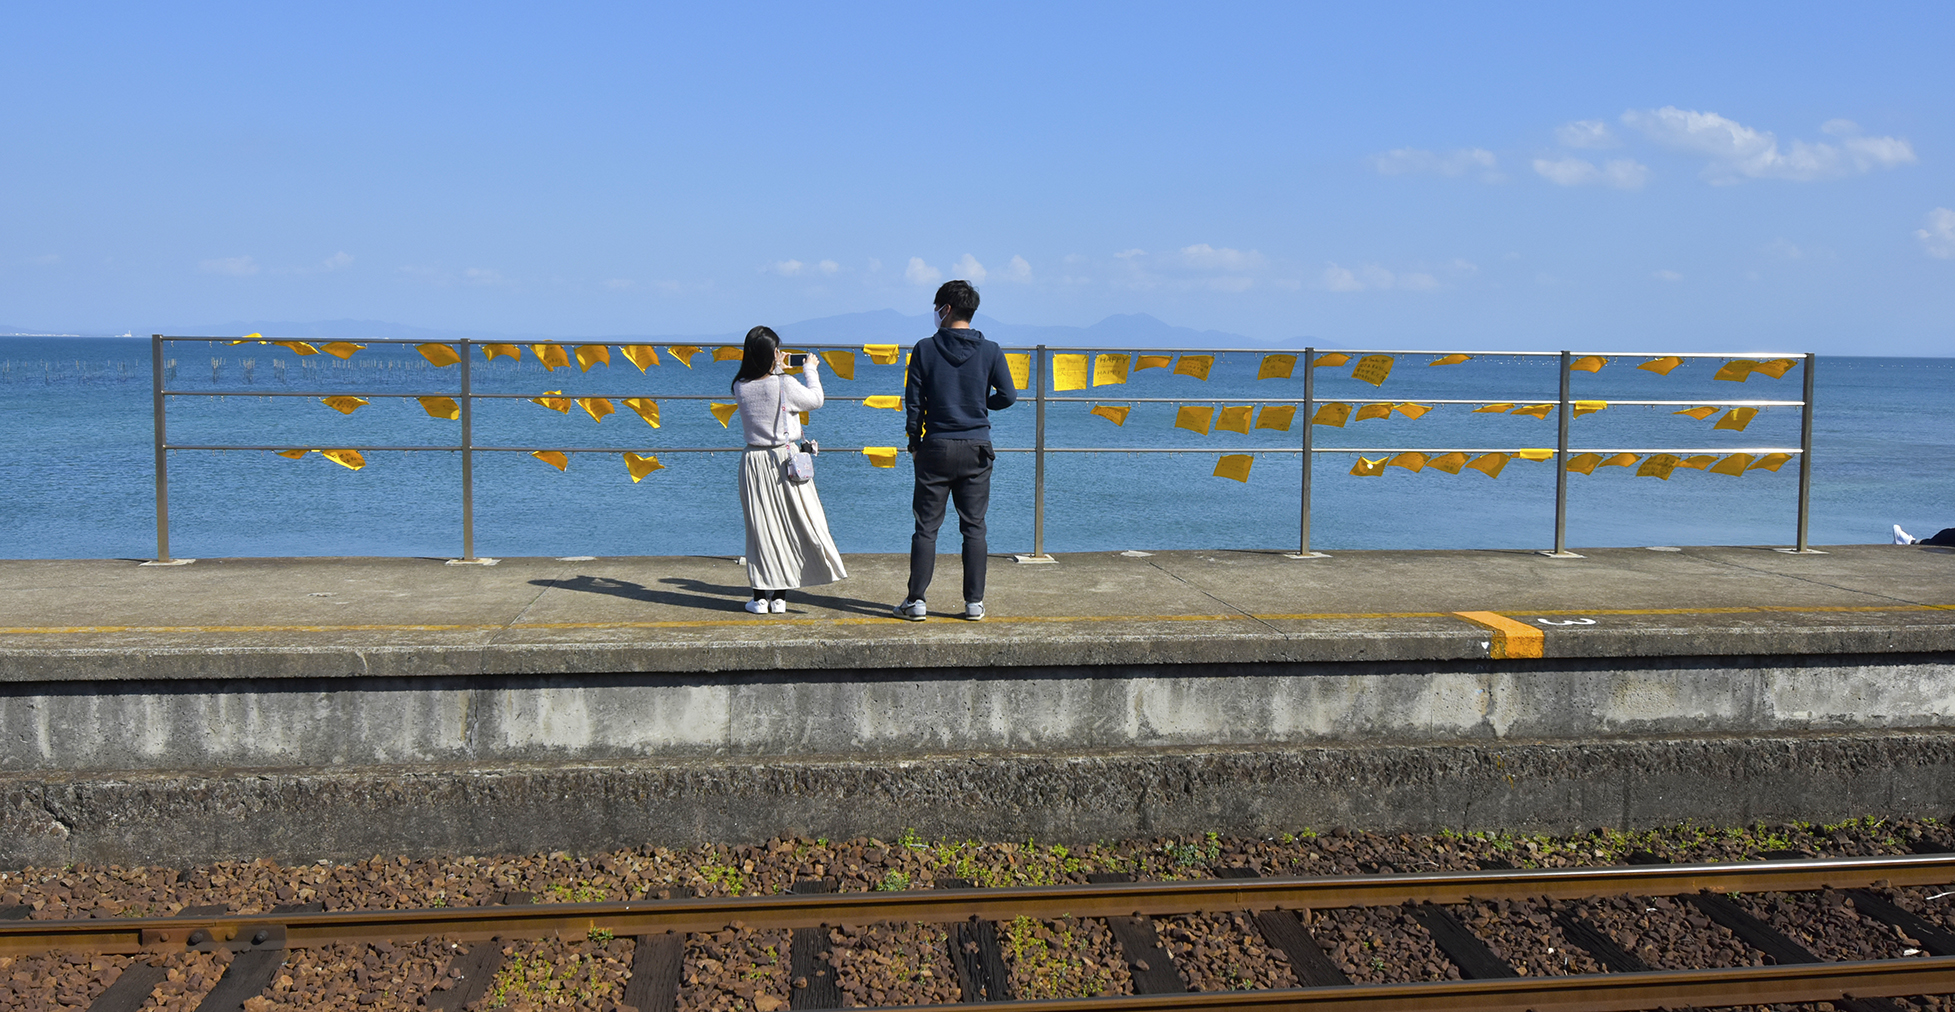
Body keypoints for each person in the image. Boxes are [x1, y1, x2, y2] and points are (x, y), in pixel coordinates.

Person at [894, 280, 1018, 621]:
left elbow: (914, 404)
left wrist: (914, 443)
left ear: (945, 309)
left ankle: (916, 601)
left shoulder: (924, 349)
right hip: (977, 446)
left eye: (936, 307)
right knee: (974, 526)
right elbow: (1008, 395)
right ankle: (974, 603)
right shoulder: (990, 350)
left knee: (926, 527)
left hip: (935, 446)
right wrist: (979, 405)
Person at [731, 326, 847, 614]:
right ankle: (780, 597)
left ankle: (759, 597)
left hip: (753, 462)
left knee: (760, 530)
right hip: (784, 461)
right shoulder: (783, 384)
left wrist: (776, 368)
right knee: (794, 525)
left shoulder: (739, 385)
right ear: (772, 354)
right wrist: (809, 369)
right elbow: (816, 400)